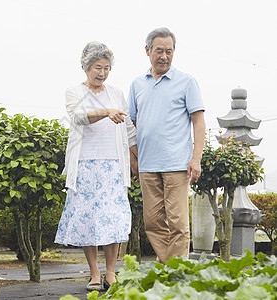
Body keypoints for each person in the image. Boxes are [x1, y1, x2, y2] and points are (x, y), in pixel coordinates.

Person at [55, 41, 138, 292]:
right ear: (86, 67)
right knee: (87, 219)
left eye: (106, 68)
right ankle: (94, 272)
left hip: (113, 165)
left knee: (112, 219)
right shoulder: (74, 92)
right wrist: (106, 112)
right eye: (97, 67)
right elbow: (78, 116)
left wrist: (135, 158)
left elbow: (129, 129)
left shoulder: (116, 93)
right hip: (84, 165)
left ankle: (111, 272)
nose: (102, 73)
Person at [127, 27, 206, 264]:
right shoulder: (137, 84)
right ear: (147, 51)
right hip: (147, 165)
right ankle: (169, 267)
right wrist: (134, 159)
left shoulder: (187, 82)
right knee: (153, 223)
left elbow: (198, 122)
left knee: (178, 223)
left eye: (169, 51)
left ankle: (175, 273)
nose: (164, 56)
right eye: (159, 50)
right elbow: (132, 124)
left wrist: (196, 158)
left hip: (177, 164)